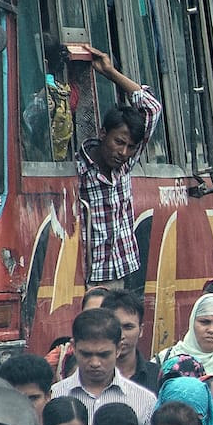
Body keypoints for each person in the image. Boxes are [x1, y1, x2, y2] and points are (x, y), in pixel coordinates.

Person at [75, 50, 163, 288]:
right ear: (103, 134)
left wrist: (110, 72)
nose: (123, 152)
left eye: (130, 147)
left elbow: (152, 109)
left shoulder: (125, 165)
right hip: (87, 279)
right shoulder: (78, 171)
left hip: (121, 273)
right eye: (119, 142)